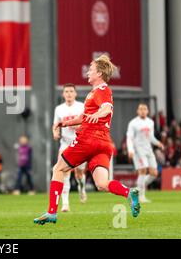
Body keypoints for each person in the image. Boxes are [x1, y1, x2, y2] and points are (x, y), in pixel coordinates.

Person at [34, 55, 141, 225]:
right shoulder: (95, 93)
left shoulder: (102, 90)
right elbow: (83, 116)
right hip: (104, 144)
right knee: (102, 184)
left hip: (89, 140)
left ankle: (52, 212)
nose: (87, 72)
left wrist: (97, 114)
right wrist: (65, 123)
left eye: (91, 69)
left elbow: (106, 109)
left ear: (99, 73)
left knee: (58, 169)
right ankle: (129, 193)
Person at [53, 83, 86, 212]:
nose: (69, 94)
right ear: (63, 94)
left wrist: (78, 127)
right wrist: (55, 132)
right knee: (63, 171)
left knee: (79, 173)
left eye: (71, 91)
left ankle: (81, 188)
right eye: (66, 91)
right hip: (65, 144)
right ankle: (65, 203)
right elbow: (55, 124)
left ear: (75, 93)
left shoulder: (81, 106)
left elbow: (87, 123)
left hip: (79, 144)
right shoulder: (59, 109)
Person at [127, 103, 164, 203]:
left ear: (147, 111)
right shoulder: (133, 123)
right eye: (141, 109)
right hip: (138, 150)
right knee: (142, 171)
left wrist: (158, 143)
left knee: (154, 173)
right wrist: (130, 150)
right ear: (137, 111)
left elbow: (151, 137)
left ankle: (136, 191)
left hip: (148, 149)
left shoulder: (150, 122)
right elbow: (129, 137)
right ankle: (141, 196)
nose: (143, 111)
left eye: (144, 109)